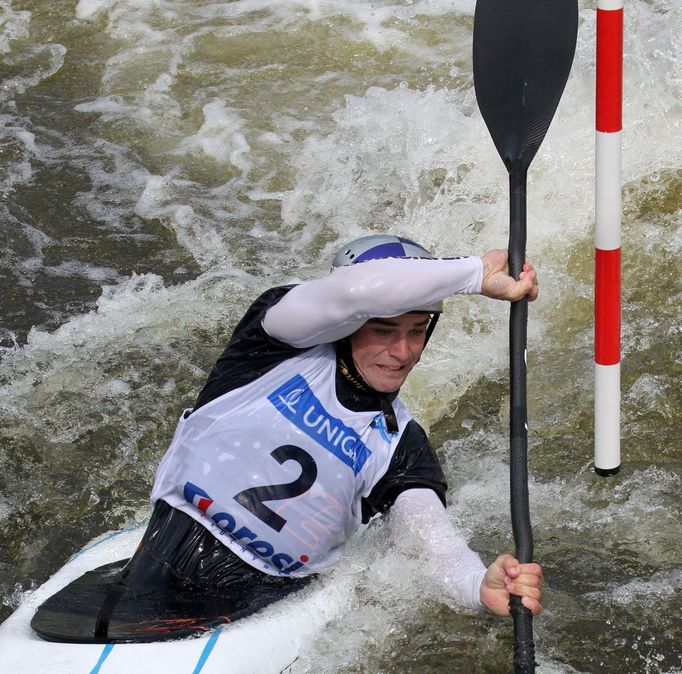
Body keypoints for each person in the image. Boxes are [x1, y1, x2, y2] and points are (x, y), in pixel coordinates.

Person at [31, 234, 543, 643]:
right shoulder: (272, 342)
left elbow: (429, 539)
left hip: (253, 603)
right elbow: (353, 292)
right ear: (347, 326)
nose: (402, 351)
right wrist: (475, 273)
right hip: (151, 571)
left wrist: (479, 587)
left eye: (417, 330)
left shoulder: (400, 444)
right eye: (384, 330)